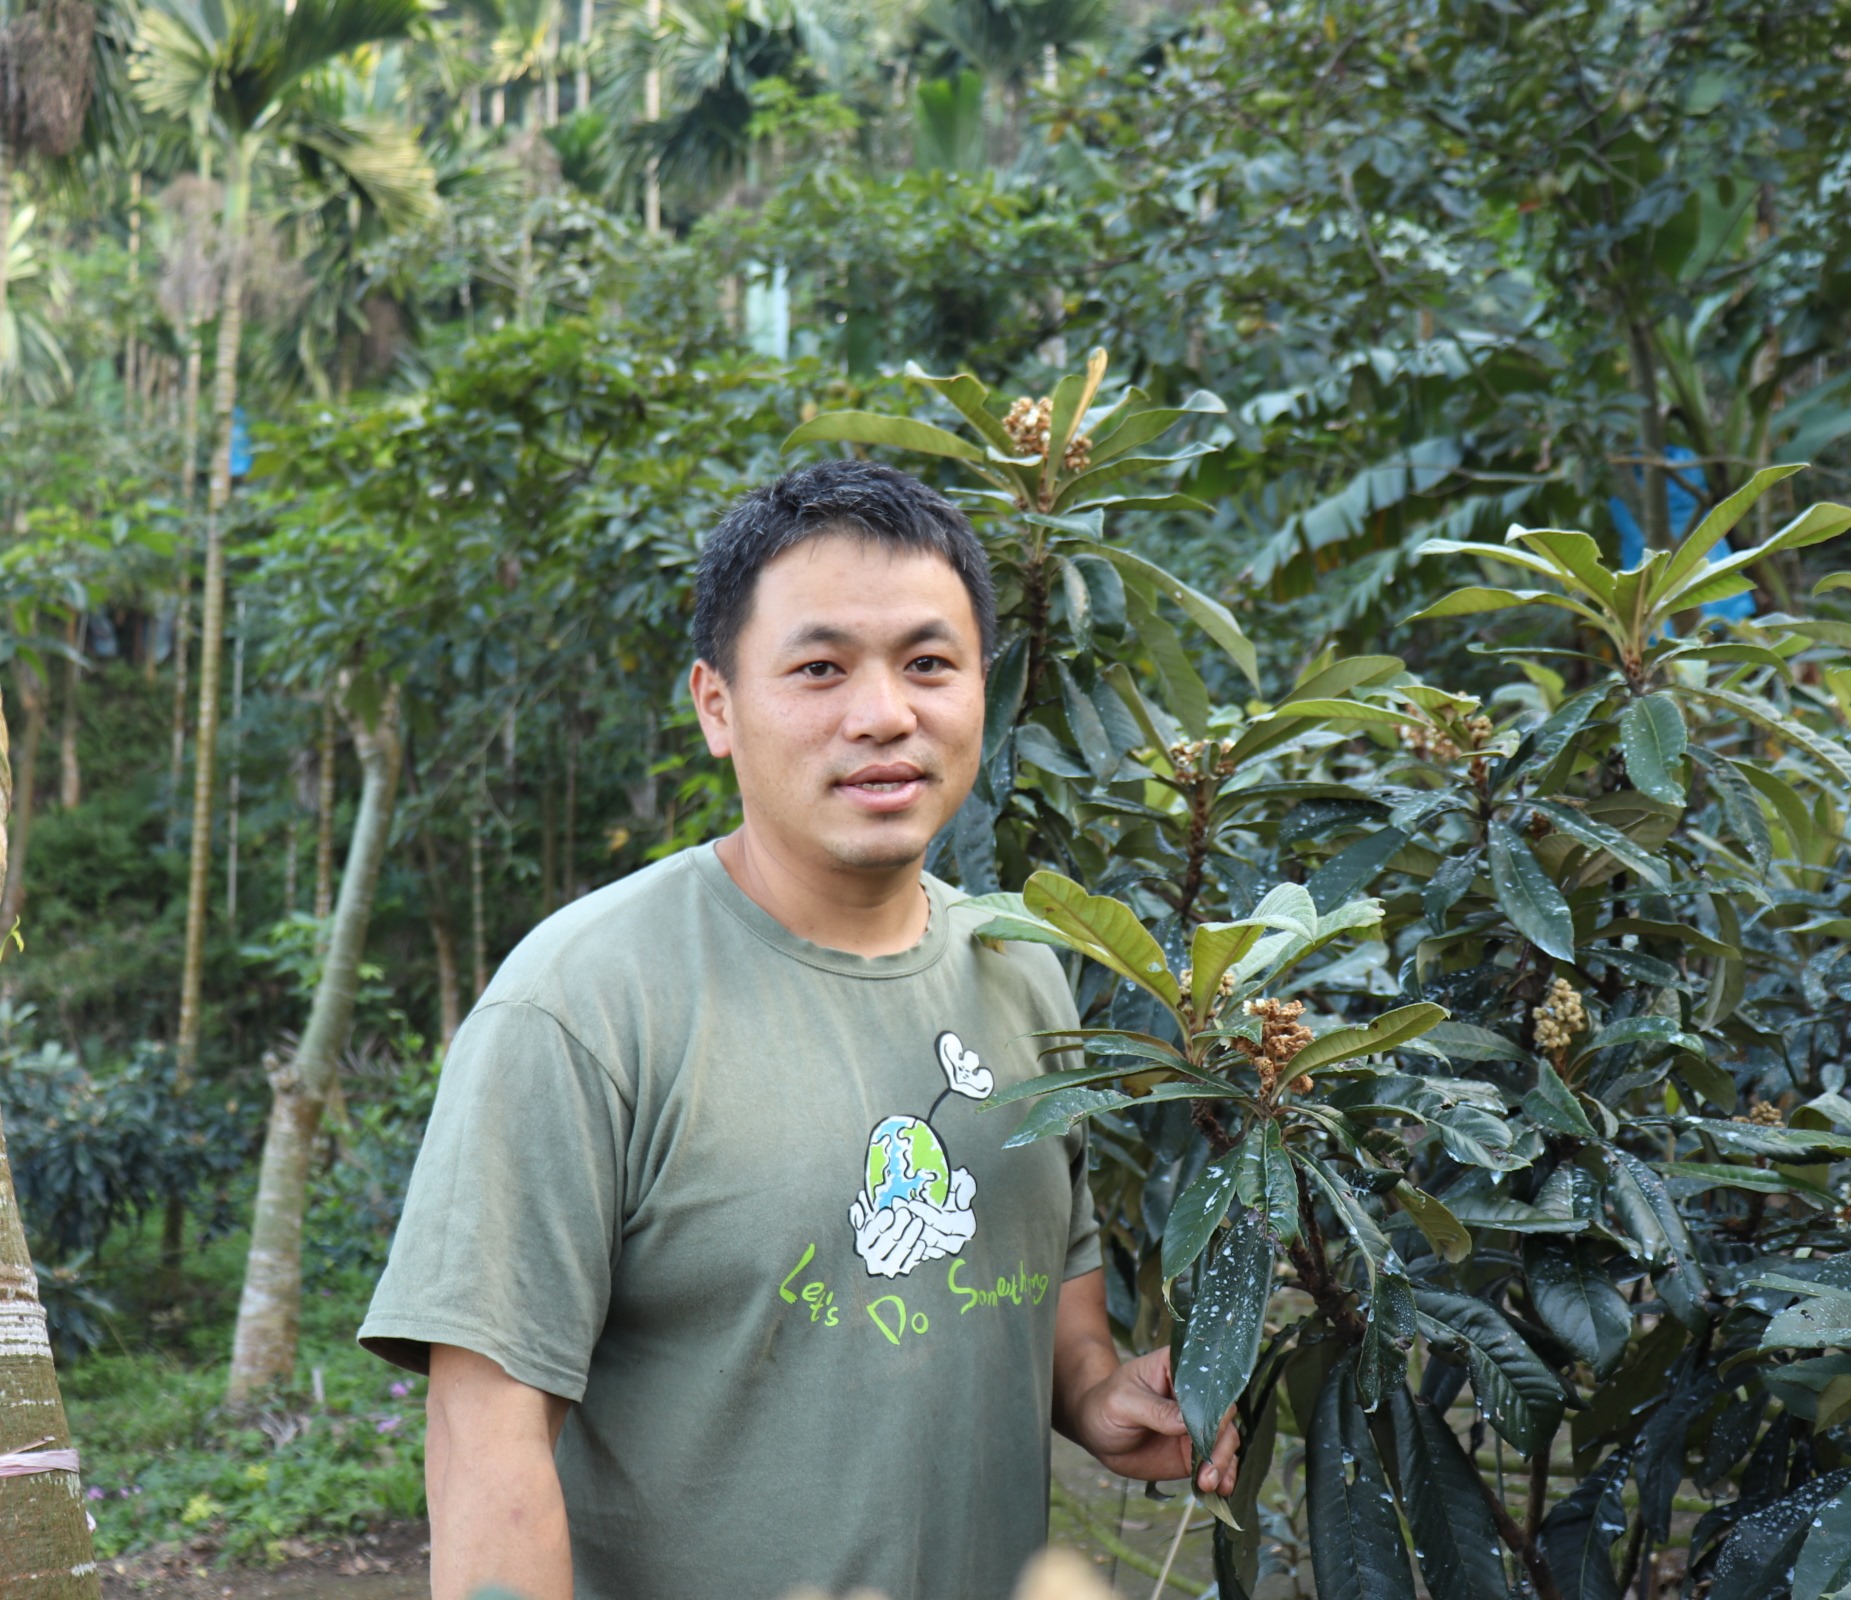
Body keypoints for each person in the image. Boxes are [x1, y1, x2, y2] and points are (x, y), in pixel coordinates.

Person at [359, 459, 1238, 1600]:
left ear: (984, 691)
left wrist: (1099, 1393)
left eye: (930, 664)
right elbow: (486, 1438)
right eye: (819, 668)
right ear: (717, 706)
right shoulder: (581, 1007)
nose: (884, 714)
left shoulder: (1020, 967)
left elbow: (1053, 1298)